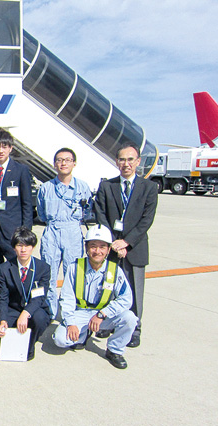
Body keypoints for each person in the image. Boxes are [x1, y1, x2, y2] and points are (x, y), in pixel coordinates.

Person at [94, 142, 157, 348]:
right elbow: (100, 214)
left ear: (138, 162)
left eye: (131, 159)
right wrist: (113, 242)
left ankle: (135, 329)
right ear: (116, 162)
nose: (126, 164)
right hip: (111, 249)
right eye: (122, 159)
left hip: (135, 248)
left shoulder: (149, 187)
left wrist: (126, 242)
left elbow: (146, 220)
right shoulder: (107, 186)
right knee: (109, 288)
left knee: (135, 292)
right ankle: (108, 323)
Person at [52, 224, 137, 369]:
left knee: (130, 318)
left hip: (103, 315)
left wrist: (103, 314)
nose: (97, 251)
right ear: (86, 248)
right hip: (80, 313)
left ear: (109, 249)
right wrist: (71, 322)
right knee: (60, 340)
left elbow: (126, 299)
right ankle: (83, 333)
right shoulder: (75, 267)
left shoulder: (115, 271)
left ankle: (114, 350)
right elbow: (67, 298)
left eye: (102, 247)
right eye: (93, 246)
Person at [36, 148, 92, 318]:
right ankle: (50, 313)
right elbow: (42, 213)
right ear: (54, 164)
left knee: (72, 273)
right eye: (60, 160)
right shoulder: (46, 188)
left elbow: (87, 212)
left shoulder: (82, 187)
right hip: (52, 231)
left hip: (73, 231)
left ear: (74, 163)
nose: (63, 163)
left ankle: (69, 312)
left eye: (67, 160)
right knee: (49, 275)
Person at [0, 129, 33, 274]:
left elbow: (27, 204)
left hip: (12, 231)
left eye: (4, 146)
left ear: (10, 148)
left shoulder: (21, 170)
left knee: (14, 270)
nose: (0, 150)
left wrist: (25, 232)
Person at [0, 227, 51, 361]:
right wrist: (2, 320)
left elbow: (40, 297)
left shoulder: (43, 268)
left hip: (34, 308)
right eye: (20, 246)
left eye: (27, 246)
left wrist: (25, 314)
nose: (23, 250)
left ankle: (30, 344)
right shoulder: (5, 268)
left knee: (40, 319)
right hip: (13, 308)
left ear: (33, 247)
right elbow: (2, 297)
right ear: (14, 248)